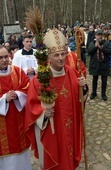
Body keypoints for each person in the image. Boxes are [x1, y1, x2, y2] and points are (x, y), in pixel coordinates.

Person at [25, 28, 87, 170]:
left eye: (63, 54)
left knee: (69, 159)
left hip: (70, 127)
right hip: (53, 130)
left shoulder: (72, 72)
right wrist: (42, 113)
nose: (61, 58)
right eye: (56, 55)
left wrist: (83, 87)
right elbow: (31, 105)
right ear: (48, 57)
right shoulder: (40, 80)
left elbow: (80, 101)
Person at [0, 45, 31, 170]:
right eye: (0, 57)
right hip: (2, 126)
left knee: (21, 157)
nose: (4, 60)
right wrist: (3, 100)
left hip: (18, 122)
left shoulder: (17, 71)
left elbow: (27, 87)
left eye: (6, 56)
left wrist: (17, 95)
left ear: (10, 56)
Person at [88, 29, 111, 101]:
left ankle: (103, 94)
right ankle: (94, 93)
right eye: (98, 35)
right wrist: (95, 47)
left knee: (104, 80)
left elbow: (109, 52)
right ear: (95, 36)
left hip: (104, 64)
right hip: (95, 64)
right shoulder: (92, 43)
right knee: (95, 79)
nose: (100, 36)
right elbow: (89, 52)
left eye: (101, 35)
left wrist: (102, 48)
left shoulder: (106, 43)